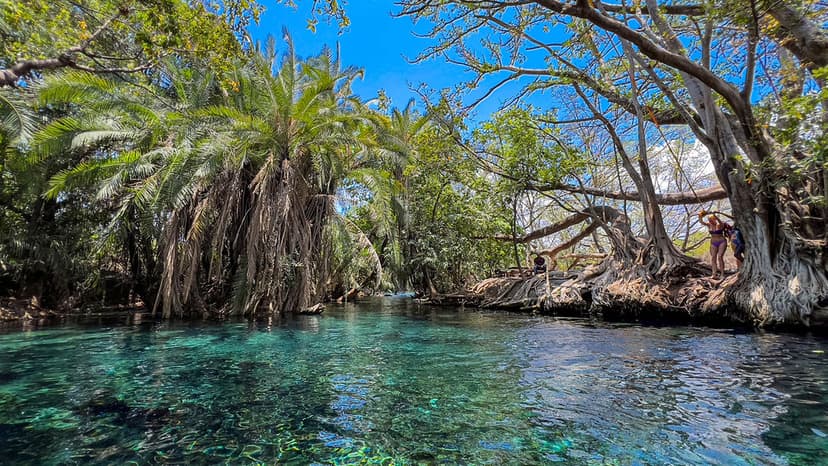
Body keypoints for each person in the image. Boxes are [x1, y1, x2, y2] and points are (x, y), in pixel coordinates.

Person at [699, 211, 729, 278]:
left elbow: (721, 222)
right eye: (709, 220)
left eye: (711, 220)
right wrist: (700, 215)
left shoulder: (719, 225)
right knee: (713, 258)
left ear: (714, 219)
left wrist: (715, 216)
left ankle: (722, 274)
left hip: (722, 242)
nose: (710, 221)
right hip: (713, 243)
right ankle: (714, 274)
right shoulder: (709, 225)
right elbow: (701, 222)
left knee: (720, 256)